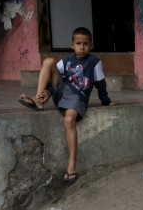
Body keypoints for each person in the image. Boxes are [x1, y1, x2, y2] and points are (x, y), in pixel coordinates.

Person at [17, 27, 113, 182]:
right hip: (62, 92)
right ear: (72, 45)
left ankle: (72, 164)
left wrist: (106, 101)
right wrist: (47, 91)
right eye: (78, 43)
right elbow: (52, 76)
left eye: (85, 44)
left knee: (69, 120)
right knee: (48, 62)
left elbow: (101, 84)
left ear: (91, 45)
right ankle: (39, 100)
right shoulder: (67, 60)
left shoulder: (94, 61)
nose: (82, 47)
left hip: (77, 97)